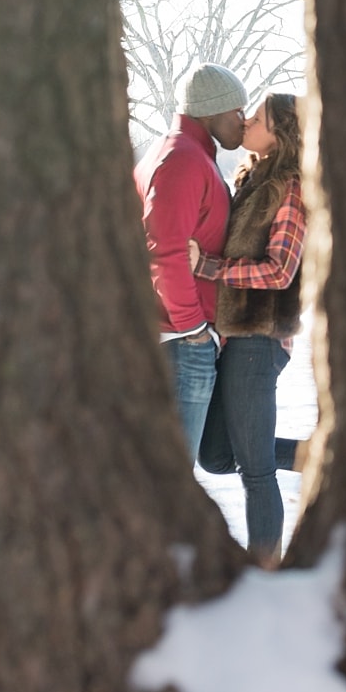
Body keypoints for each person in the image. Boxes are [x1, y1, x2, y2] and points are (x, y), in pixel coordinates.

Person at [189, 91, 306, 568]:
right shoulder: (250, 180)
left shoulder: (290, 188)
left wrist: (212, 269)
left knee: (256, 473)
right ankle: (317, 454)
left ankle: (266, 571)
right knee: (214, 456)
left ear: (278, 134)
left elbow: (280, 271)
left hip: (259, 341)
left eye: (255, 118)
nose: (246, 123)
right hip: (235, 340)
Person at [134, 63, 245, 459]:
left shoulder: (189, 154)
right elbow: (163, 251)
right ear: (213, 110)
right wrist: (194, 327)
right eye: (238, 113)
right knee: (171, 478)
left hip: (182, 338)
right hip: (181, 342)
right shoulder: (182, 159)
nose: (243, 123)